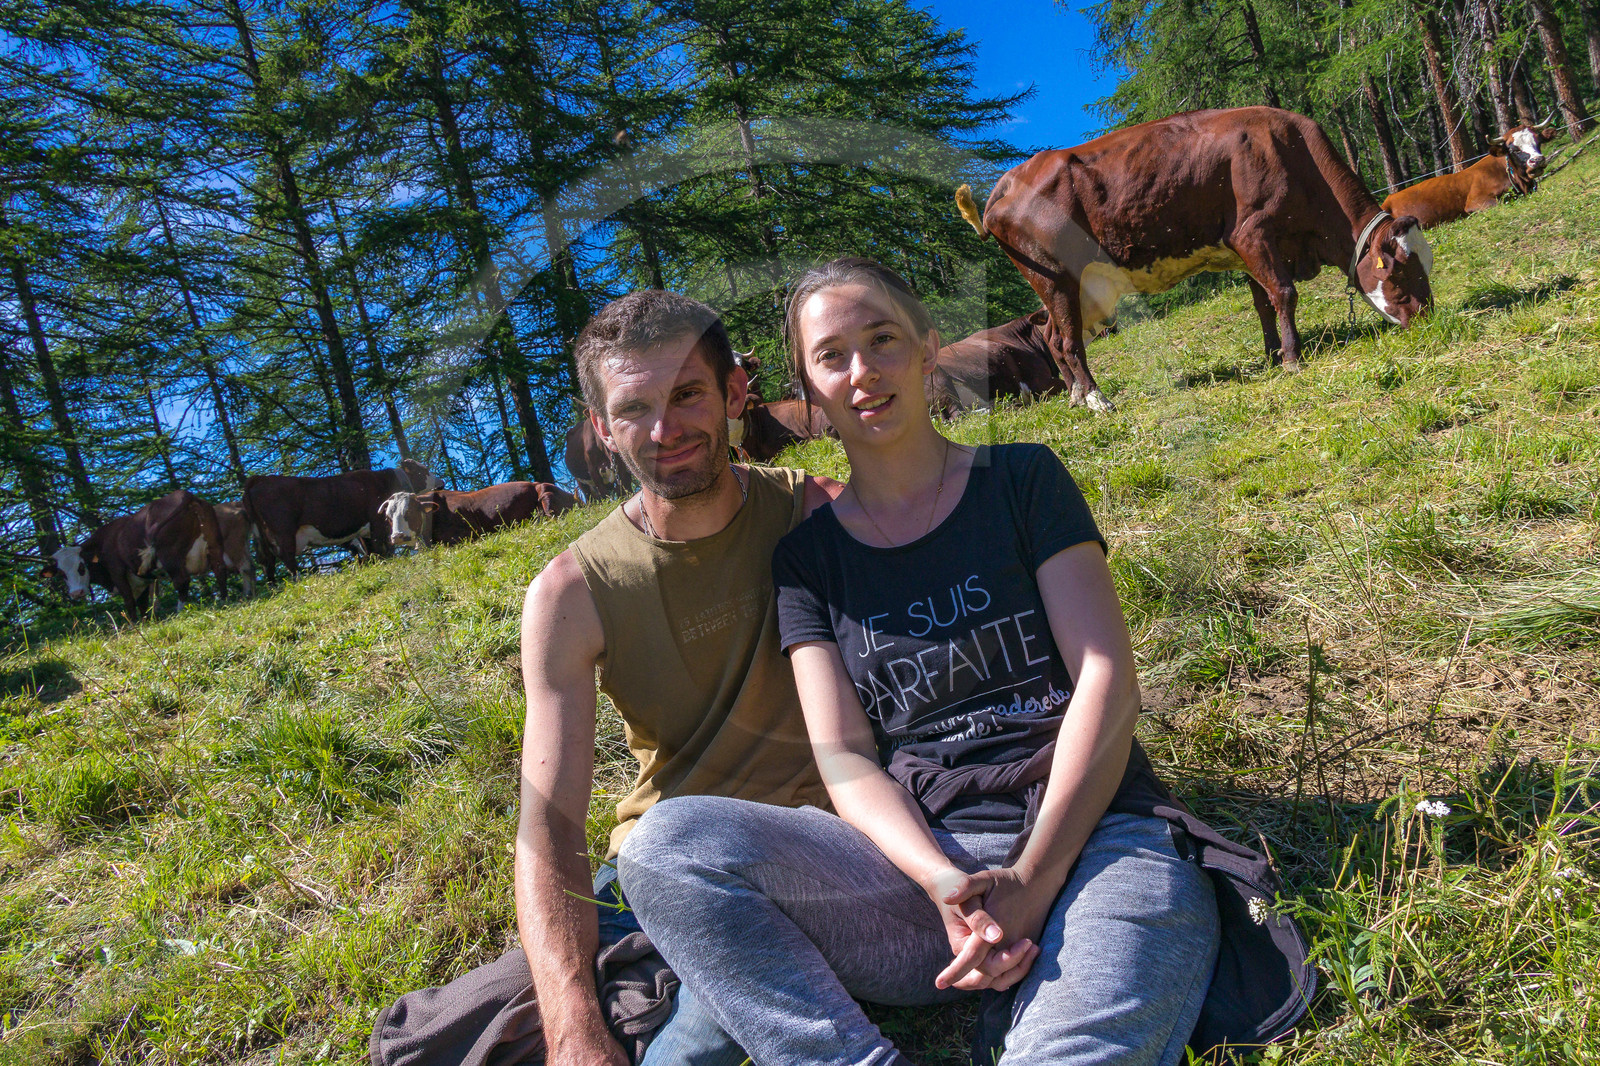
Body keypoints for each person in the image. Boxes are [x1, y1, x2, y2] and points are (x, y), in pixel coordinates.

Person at [618, 260, 1309, 1065]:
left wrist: (1034, 879)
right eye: (832, 356)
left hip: (1102, 840)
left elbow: (1106, 681)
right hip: (923, 882)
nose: (863, 372)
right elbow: (842, 757)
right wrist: (941, 880)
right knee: (665, 845)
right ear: (808, 387)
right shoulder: (808, 561)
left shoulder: (1021, 481)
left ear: (927, 349)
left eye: (882, 340)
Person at [370, 289, 841, 1066]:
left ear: (734, 393)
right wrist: (573, 1031)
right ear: (601, 429)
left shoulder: (818, 513)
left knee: (687, 1049)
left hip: (813, 848)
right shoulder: (570, 592)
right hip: (653, 870)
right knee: (445, 1041)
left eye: (689, 394)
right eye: (634, 408)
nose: (666, 429)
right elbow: (550, 825)